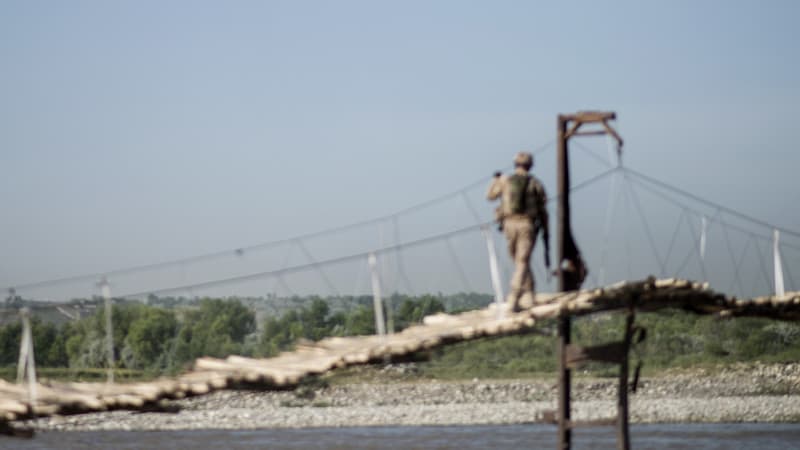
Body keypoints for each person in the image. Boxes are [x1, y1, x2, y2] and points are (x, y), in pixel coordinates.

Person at [487, 152, 550, 311]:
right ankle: (515, 296)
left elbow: (490, 196)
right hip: (526, 225)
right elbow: (543, 209)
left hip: (508, 224)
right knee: (522, 261)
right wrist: (545, 231)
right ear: (530, 165)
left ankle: (528, 293)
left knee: (519, 261)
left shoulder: (506, 182)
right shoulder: (535, 184)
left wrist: (496, 181)